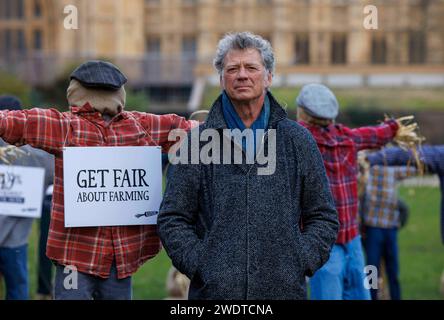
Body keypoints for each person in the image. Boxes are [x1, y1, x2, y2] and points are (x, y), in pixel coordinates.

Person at [157, 32, 339, 300]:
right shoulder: (195, 144)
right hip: (215, 296)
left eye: (251, 67)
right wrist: (201, 265)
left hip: (284, 291)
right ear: (221, 79)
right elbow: (172, 217)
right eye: (233, 68)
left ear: (268, 77)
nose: (242, 75)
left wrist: (300, 260)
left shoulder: (298, 140)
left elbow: (323, 215)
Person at [0, 61, 198, 300]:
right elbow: (191, 130)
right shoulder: (140, 126)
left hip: (94, 256)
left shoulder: (65, 127)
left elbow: (17, 122)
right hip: (106, 256)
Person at [295, 83, 403, 300]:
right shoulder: (348, 138)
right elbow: (378, 135)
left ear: (304, 114)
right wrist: (393, 126)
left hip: (322, 242)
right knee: (359, 294)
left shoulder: (299, 140)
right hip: (352, 238)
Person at [0, 95, 54, 300]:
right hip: (16, 240)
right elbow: (55, 174)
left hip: (17, 239)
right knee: (17, 290)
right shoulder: (37, 154)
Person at [359, 155, 417, 300]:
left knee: (392, 270)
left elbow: (414, 168)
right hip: (373, 228)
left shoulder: (393, 170)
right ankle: (370, 297)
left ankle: (395, 297)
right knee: (371, 269)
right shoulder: (367, 170)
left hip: (390, 228)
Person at [365, 145, 444, 244]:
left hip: (390, 222)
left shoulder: (391, 170)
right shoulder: (369, 172)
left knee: (391, 258)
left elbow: (410, 159)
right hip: (373, 222)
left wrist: (368, 159)